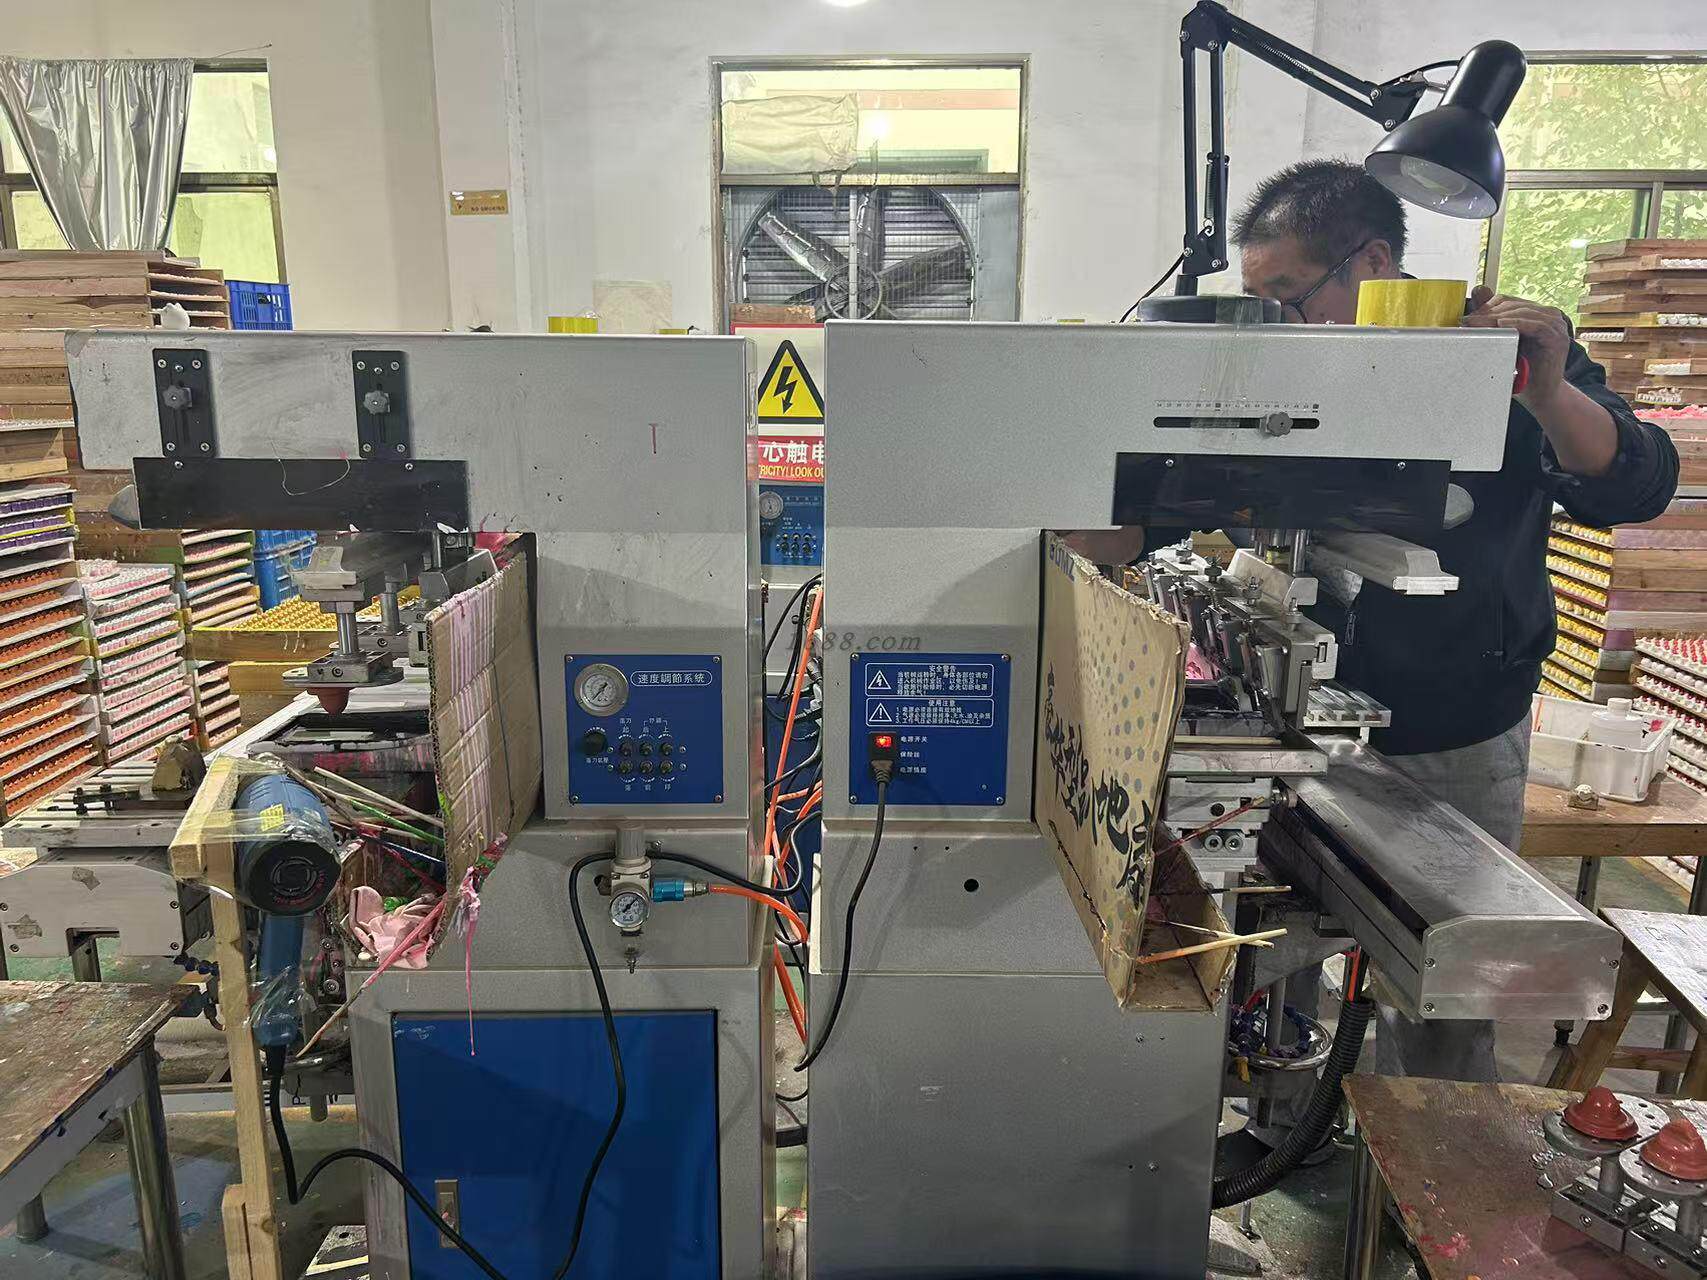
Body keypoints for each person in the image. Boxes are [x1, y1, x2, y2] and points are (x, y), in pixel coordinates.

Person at [1233, 159, 1678, 1087]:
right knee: (1273, 954)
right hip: (1299, 711)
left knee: (1447, 983)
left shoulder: (1502, 353)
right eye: (1260, 301)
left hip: (1456, 724)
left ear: (1372, 262)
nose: (1281, 320)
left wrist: (1543, 390)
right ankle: (1290, 1122)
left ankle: (1429, 1160)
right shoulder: (1289, 356)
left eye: (1291, 294)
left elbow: (1632, 485)